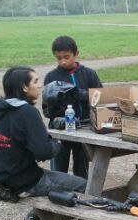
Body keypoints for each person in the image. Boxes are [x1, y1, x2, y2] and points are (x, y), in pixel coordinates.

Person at [0, 66, 87, 220]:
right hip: (26, 179)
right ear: (24, 87)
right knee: (84, 187)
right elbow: (43, 151)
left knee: (60, 185)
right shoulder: (26, 112)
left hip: (0, 177)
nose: (39, 85)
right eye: (35, 81)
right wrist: (58, 144)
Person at [43, 36, 103, 180]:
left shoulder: (89, 74)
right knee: (58, 168)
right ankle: (58, 190)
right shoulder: (51, 77)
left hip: (84, 127)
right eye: (58, 58)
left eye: (67, 57)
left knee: (82, 167)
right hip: (60, 130)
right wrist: (56, 108)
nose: (63, 61)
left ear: (76, 54)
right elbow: (46, 109)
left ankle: (82, 189)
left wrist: (80, 94)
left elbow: (101, 98)